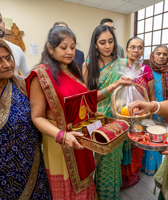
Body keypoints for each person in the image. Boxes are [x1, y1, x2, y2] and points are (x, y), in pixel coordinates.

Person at [25, 26, 96, 199]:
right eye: (63, 47)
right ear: (50, 48)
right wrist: (62, 136)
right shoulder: (40, 75)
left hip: (81, 135)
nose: (70, 52)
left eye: (72, 47)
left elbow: (84, 102)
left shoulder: (74, 70)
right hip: (59, 141)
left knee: (85, 180)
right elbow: (37, 117)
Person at [82, 24, 133, 199]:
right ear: (95, 44)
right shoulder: (88, 65)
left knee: (112, 163)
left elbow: (127, 94)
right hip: (96, 121)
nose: (107, 46)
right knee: (95, 162)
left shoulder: (123, 63)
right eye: (102, 42)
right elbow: (89, 99)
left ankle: (111, 196)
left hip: (116, 121)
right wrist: (114, 85)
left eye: (110, 41)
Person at [0, 38, 52, 199]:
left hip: (33, 167)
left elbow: (46, 113)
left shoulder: (25, 85)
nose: (7, 65)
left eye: (8, 58)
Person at [120, 36, 155, 188]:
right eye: (132, 47)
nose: (136, 50)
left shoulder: (146, 70)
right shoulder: (119, 68)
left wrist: (151, 112)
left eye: (140, 47)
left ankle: (133, 175)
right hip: (122, 115)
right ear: (126, 49)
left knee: (137, 143)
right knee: (122, 146)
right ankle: (121, 177)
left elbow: (151, 95)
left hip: (141, 116)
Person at [140, 45, 168, 176]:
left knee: (160, 138)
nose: (161, 56)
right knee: (148, 136)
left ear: (167, 56)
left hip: (165, 111)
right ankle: (144, 166)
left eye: (164, 54)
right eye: (158, 53)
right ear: (153, 55)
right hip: (150, 110)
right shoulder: (146, 71)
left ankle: (156, 167)